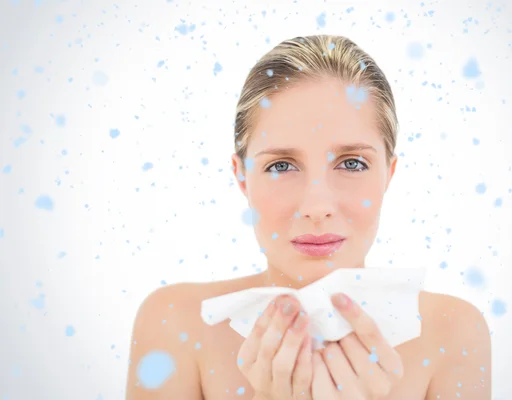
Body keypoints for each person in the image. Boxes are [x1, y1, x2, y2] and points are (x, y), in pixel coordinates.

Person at [125, 34, 492, 399]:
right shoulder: (174, 322)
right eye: (281, 165)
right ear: (241, 176)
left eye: (352, 163)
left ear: (388, 174)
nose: (317, 206)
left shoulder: (454, 332)